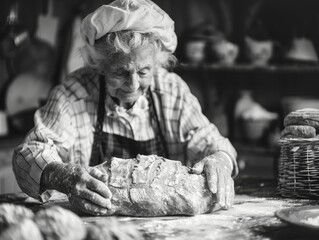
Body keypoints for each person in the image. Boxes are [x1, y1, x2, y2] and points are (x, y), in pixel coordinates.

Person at [12, 0, 238, 216]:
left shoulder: (172, 91)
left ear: (157, 63)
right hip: (94, 227)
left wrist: (221, 159)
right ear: (99, 65)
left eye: (143, 71)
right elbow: (28, 155)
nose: (134, 85)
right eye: (120, 72)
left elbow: (212, 142)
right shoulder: (73, 95)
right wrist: (64, 176)